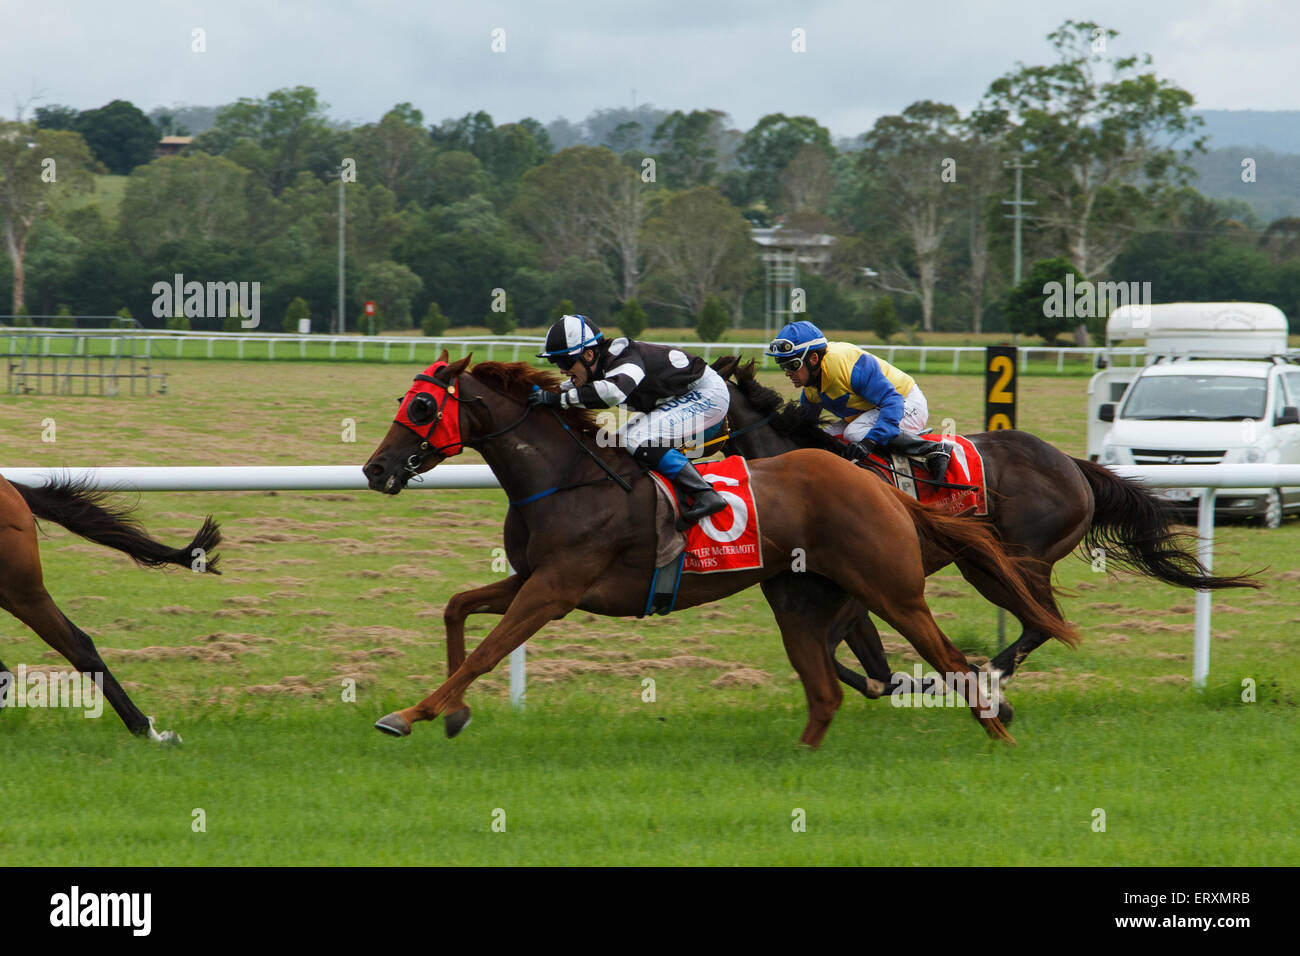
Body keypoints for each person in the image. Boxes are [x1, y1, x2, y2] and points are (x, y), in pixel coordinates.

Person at [529, 314, 729, 523]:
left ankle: (705, 494)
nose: (562, 369)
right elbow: (561, 391)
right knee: (616, 444)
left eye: (564, 361)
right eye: (555, 362)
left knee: (637, 439)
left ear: (588, 355)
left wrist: (559, 400)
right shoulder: (597, 366)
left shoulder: (624, 356)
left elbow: (613, 392)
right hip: (681, 397)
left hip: (707, 395)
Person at [765, 320, 954, 479]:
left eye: (792, 365)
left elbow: (892, 401)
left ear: (813, 359)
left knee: (855, 433)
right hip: (870, 411)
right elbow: (806, 426)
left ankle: (933, 450)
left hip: (905, 403)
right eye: (783, 366)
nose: (788, 373)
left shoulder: (844, 365)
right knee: (824, 437)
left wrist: (869, 442)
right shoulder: (810, 386)